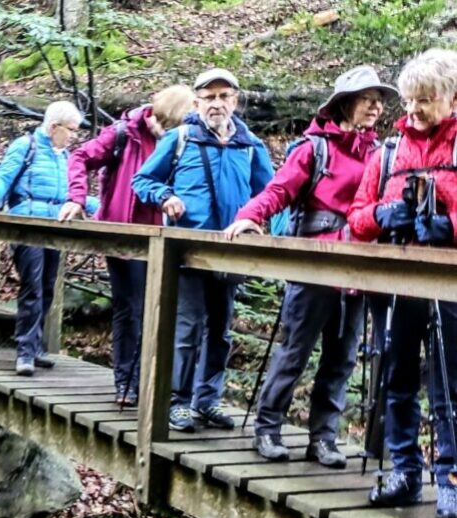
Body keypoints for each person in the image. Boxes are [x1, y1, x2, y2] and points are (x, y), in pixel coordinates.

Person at [224, 66, 397, 467]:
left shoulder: (379, 153)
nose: (375, 106)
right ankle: (267, 429)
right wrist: (250, 216)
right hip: (316, 264)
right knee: (295, 351)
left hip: (358, 269)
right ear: (345, 103)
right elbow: (280, 189)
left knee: (342, 358)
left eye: (379, 100)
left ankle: (323, 438)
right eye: (366, 98)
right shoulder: (315, 148)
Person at [347, 50, 457, 518]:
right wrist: (381, 216)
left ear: (451, 98)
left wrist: (449, 227)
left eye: (425, 100)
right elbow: (356, 217)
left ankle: (450, 479)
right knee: (398, 378)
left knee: (451, 383)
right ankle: (404, 472)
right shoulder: (387, 153)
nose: (413, 111)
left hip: (450, 285)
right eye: (410, 101)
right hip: (397, 282)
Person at [132, 68, 274, 433]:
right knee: (187, 327)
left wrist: (268, 226)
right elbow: (143, 180)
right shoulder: (180, 139)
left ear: (235, 101)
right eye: (209, 97)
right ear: (196, 103)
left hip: (232, 251)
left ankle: (207, 400)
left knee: (220, 330)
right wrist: (166, 196)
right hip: (187, 249)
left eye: (224, 96)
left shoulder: (250, 145)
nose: (217, 103)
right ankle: (177, 401)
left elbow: (271, 192)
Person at [60, 85, 194, 406]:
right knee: (130, 309)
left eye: (172, 129)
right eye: (163, 125)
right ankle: (125, 383)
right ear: (156, 114)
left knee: (160, 311)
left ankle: (153, 383)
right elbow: (80, 157)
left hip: (164, 239)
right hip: (123, 237)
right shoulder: (124, 133)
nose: (164, 133)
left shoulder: (184, 139)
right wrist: (77, 198)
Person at [0, 101, 92, 376]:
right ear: (53, 127)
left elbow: (71, 194)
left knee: (48, 287)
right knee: (32, 287)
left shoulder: (64, 156)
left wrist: (97, 206)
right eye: (71, 130)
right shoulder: (26, 146)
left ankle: (35, 346)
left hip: (55, 228)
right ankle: (24, 352)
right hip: (26, 225)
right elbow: (3, 175)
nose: (74, 135)